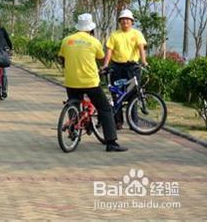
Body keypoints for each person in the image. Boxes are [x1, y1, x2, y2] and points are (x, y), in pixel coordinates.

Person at [59, 13, 127, 152]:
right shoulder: (94, 42)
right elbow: (102, 60)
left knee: (74, 103)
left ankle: (73, 131)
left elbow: (62, 59)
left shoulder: (67, 40)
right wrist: (103, 68)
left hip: (71, 81)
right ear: (91, 28)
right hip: (90, 81)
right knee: (105, 109)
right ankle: (111, 143)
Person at [102, 9, 147, 129]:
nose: (125, 22)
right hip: (117, 67)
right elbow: (109, 51)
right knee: (117, 95)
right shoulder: (115, 35)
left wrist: (143, 61)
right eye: (122, 20)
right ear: (119, 22)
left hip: (132, 67)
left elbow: (141, 48)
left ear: (132, 21)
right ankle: (118, 122)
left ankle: (134, 122)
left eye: (127, 20)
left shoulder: (137, 34)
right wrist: (106, 65)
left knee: (133, 94)